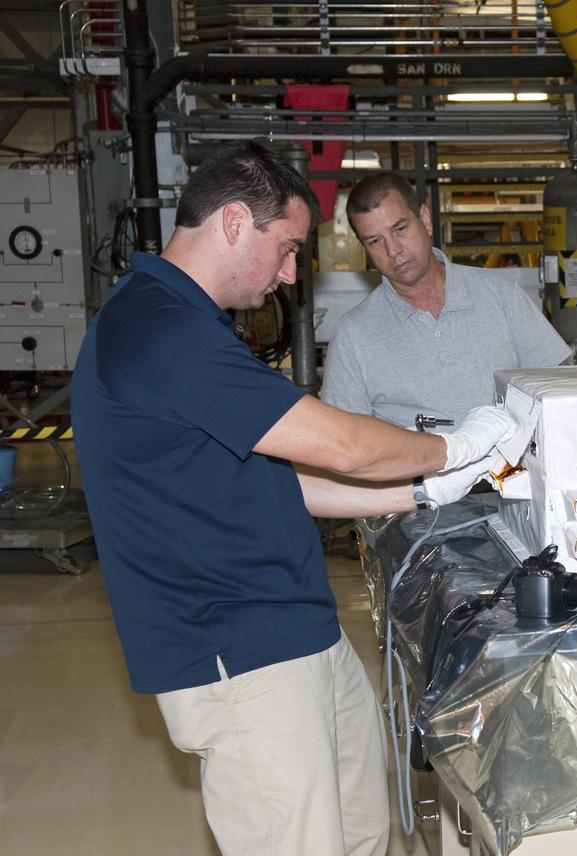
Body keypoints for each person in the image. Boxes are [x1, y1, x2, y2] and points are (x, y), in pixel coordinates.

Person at [71, 141, 515, 856]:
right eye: (286, 251)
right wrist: (460, 445)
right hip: (237, 652)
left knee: (364, 832)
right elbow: (340, 445)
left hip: (297, 627)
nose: (287, 276)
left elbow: (286, 484)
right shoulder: (158, 331)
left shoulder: (191, 323)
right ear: (235, 222)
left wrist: (426, 488)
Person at [321, 173, 570, 427]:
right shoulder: (353, 336)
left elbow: (559, 390)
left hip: (513, 466)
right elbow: (346, 440)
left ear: (425, 220)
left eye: (400, 229)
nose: (393, 250)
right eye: (375, 241)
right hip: (415, 468)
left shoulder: (500, 295)